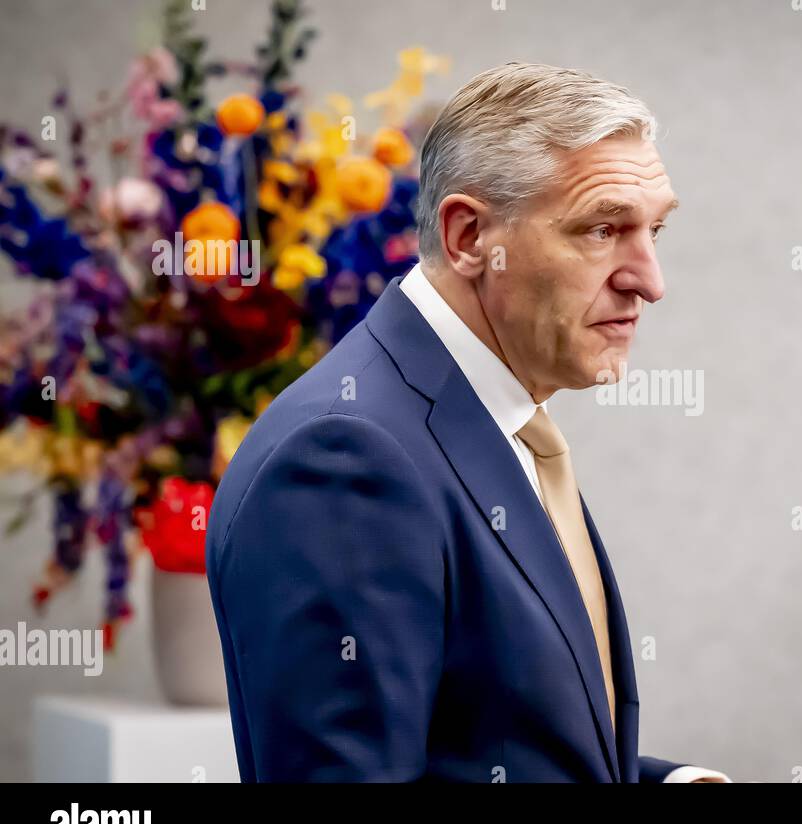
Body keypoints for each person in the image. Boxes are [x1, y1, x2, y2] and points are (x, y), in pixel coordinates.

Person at [206, 62, 727, 783]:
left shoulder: (496, 419)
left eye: (654, 231)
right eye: (604, 229)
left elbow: (492, 743)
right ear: (468, 235)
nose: (649, 280)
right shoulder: (343, 456)